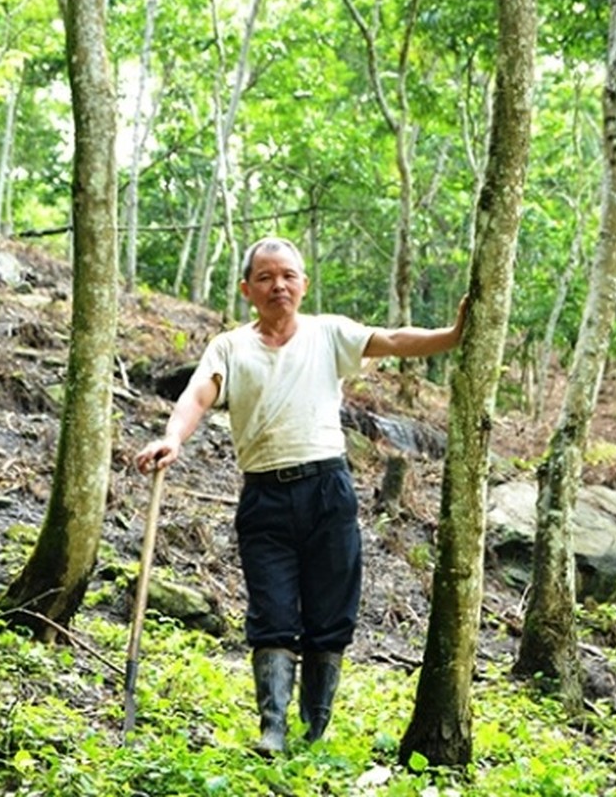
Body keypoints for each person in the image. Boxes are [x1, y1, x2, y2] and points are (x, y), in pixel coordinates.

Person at [135, 236, 466, 754]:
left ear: (303, 284)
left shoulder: (328, 333)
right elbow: (199, 392)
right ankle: (273, 728)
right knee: (272, 613)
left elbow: (395, 340)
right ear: (247, 289)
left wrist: (453, 334)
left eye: (287, 275)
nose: (278, 286)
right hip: (264, 497)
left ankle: (314, 728)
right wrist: (172, 438)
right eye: (265, 277)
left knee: (330, 615)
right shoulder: (230, 346)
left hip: (328, 490)